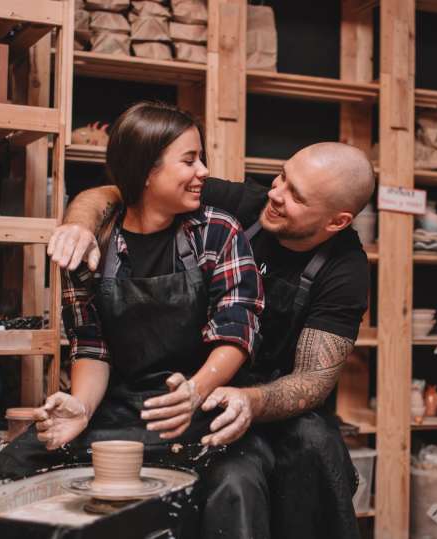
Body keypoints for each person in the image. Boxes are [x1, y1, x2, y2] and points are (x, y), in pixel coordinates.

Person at [49, 141, 376, 539]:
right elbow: (118, 191)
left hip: (264, 396)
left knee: (314, 444)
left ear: (337, 222)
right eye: (282, 177)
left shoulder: (345, 271)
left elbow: (314, 380)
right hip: (189, 379)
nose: (275, 194)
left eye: (296, 196)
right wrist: (80, 225)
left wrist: (251, 402)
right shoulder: (244, 202)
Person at [0, 102, 268, 537]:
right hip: (118, 409)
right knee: (13, 465)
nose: (204, 172)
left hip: (201, 408)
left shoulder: (218, 232)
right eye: (190, 160)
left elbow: (235, 329)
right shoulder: (96, 245)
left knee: (236, 486)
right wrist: (80, 406)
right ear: (145, 172)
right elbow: (91, 342)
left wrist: (196, 390)